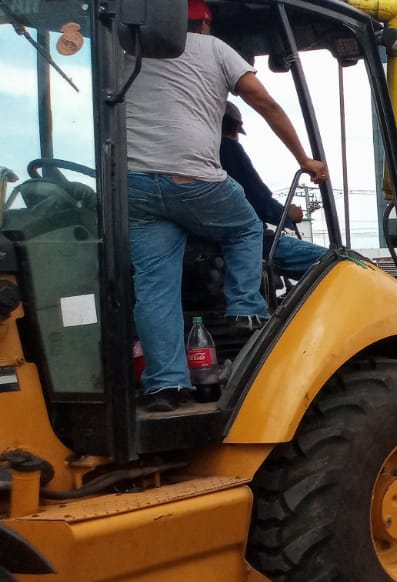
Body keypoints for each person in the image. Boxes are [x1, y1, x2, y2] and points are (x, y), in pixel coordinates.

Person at [125, 0, 329, 411]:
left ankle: (165, 385)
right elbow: (267, 103)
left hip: (134, 187)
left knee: (154, 287)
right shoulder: (213, 48)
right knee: (245, 228)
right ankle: (246, 309)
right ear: (204, 23)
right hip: (193, 179)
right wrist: (305, 160)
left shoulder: (127, 55)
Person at [220, 101, 326, 280]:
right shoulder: (227, 149)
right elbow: (259, 201)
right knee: (339, 264)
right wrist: (287, 214)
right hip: (245, 242)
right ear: (233, 129)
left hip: (214, 241)